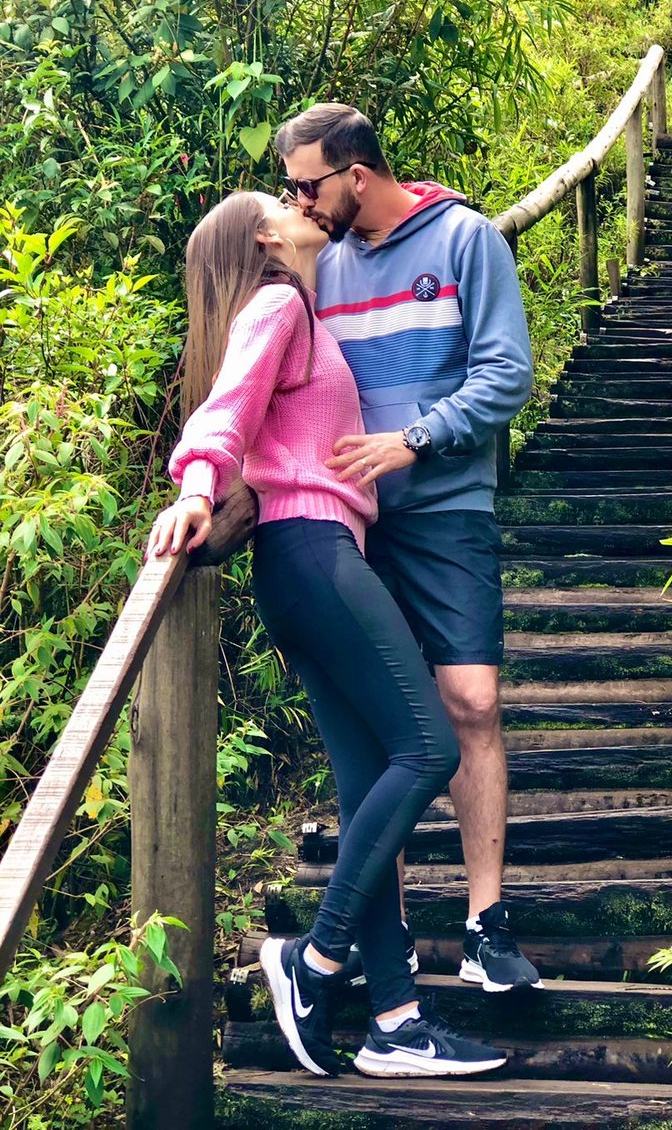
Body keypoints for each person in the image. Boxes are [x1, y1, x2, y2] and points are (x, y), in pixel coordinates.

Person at [145, 191, 507, 1079]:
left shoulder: (297, 308)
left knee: (365, 783)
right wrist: (197, 484)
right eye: (285, 200)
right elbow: (228, 408)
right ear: (269, 237)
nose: (303, 204)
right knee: (426, 747)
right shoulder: (277, 304)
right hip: (314, 553)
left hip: (303, 561)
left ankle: (396, 1018)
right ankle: (315, 960)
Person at [273, 105, 540, 992]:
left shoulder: (466, 240)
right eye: (289, 188)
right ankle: (367, 947)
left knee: (470, 702)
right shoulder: (323, 266)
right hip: (355, 526)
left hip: (447, 508)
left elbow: (507, 371)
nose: (298, 201)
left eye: (308, 184)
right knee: (374, 733)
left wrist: (416, 438)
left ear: (357, 173)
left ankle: (485, 921)